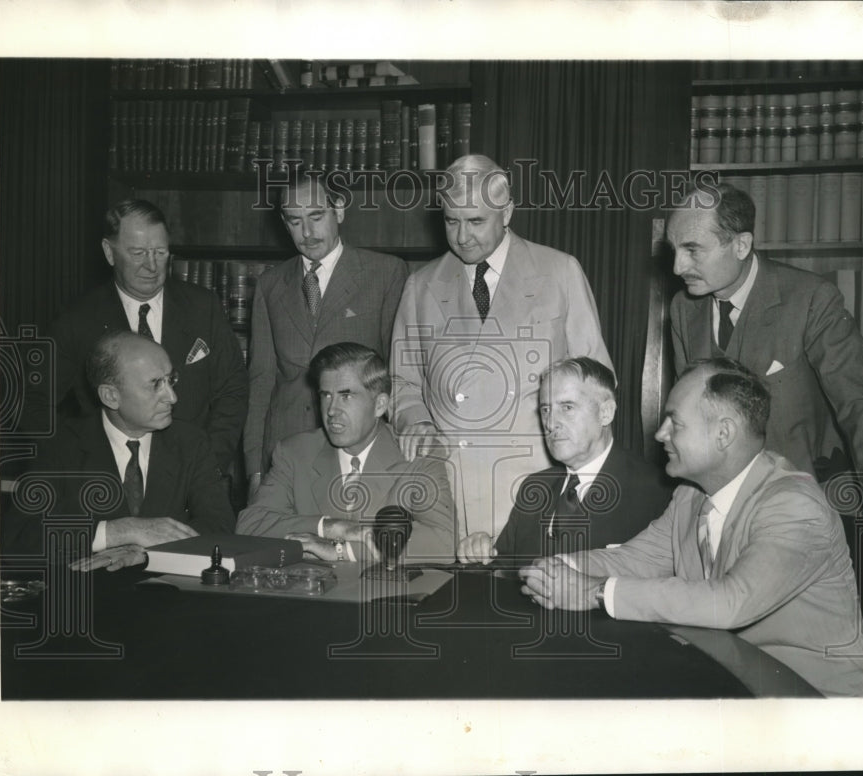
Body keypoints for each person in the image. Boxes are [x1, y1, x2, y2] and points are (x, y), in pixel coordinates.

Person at [520, 358, 863, 698]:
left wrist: (594, 593)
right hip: (738, 689)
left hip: (827, 707)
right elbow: (638, 558)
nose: (660, 434)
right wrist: (557, 568)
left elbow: (729, 602)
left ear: (724, 434)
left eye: (675, 423)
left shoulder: (794, 504)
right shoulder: (691, 496)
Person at [667, 181, 863, 576]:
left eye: (692, 250)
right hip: (719, 514)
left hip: (801, 509)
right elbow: (689, 422)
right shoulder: (683, 308)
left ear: (740, 245)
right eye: (674, 250)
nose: (677, 267)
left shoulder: (810, 299)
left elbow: (862, 405)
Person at [390, 154, 613, 544]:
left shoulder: (560, 272)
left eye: (476, 221)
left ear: (506, 212)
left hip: (536, 486)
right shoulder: (420, 285)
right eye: (451, 220)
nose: (462, 236)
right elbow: (403, 384)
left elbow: (597, 385)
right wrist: (416, 420)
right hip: (450, 489)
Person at [20, 199, 248, 474]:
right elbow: (35, 403)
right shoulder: (77, 320)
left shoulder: (203, 307)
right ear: (109, 252)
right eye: (138, 253)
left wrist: (207, 464)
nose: (151, 266)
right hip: (110, 482)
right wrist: (73, 467)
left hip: (195, 476)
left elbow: (232, 392)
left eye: (160, 252)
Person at [5, 331, 235, 571]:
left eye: (171, 380)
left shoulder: (190, 442)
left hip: (169, 597)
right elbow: (19, 538)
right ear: (111, 396)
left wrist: (148, 553)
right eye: (156, 384)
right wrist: (121, 530)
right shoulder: (62, 445)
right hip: (85, 597)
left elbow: (219, 526)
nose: (172, 397)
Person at [244, 172, 409, 495]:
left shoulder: (386, 273)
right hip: (285, 452)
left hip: (358, 449)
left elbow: (398, 374)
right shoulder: (270, 285)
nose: (307, 232)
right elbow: (261, 381)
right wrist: (254, 469)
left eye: (316, 216)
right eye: (294, 221)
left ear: (340, 211)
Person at [237, 343, 455, 563]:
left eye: (346, 396)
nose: (331, 410)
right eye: (326, 395)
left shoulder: (416, 455)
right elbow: (250, 523)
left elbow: (442, 542)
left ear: (380, 405)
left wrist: (342, 551)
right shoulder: (295, 453)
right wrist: (332, 527)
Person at [457, 357, 672, 564]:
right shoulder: (535, 486)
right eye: (545, 409)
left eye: (567, 407)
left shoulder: (655, 492)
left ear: (605, 413)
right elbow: (504, 568)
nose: (550, 423)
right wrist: (480, 550)